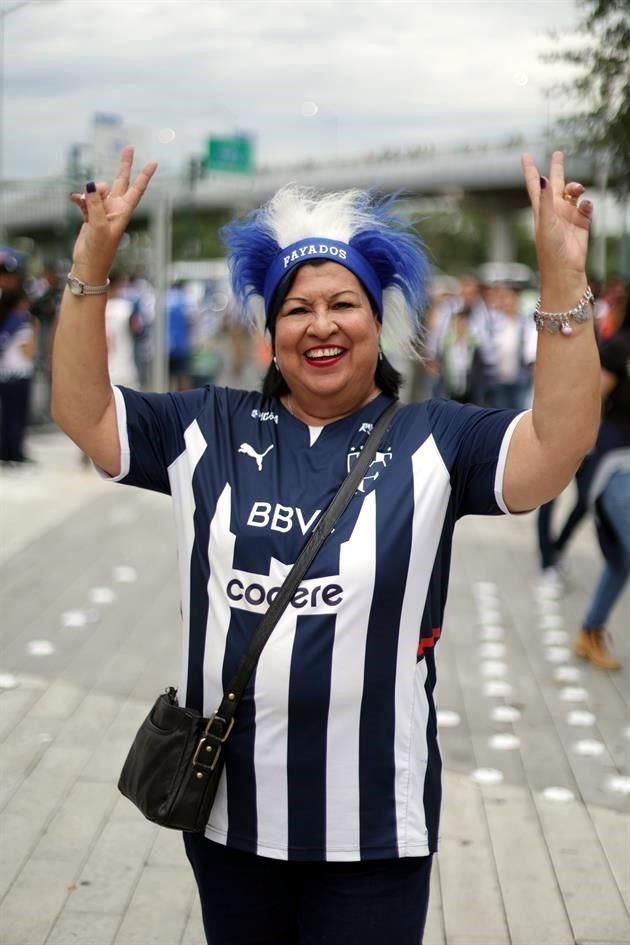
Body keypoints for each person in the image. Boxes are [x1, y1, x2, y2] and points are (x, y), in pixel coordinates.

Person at [51, 147, 599, 945]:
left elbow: (559, 438)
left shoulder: (434, 439)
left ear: (379, 323)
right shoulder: (208, 424)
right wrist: (89, 266)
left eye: (344, 303)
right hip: (230, 820)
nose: (322, 324)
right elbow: (83, 412)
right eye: (296, 309)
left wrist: (560, 277)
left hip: (373, 826)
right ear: (270, 334)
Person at [574, 287, 630, 670]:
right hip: (615, 464)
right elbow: (591, 396)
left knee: (621, 560)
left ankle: (589, 631)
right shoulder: (619, 348)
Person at [0, 287, 37, 465]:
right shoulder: (23, 322)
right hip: (19, 374)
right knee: (18, 416)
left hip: (4, 374)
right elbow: (28, 352)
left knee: (6, 415)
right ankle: (16, 452)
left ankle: (5, 451)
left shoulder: (4, 320)